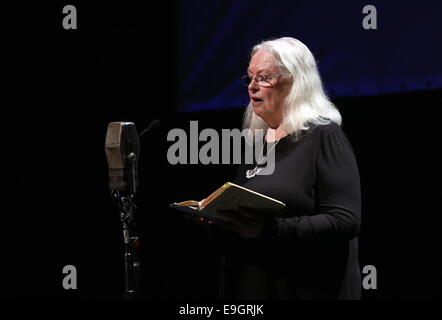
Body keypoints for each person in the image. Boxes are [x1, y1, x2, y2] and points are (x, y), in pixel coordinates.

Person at [209, 37, 362, 300]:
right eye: (250, 78)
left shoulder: (324, 135)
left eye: (264, 78)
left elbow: (345, 220)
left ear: (295, 82)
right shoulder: (255, 143)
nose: (252, 87)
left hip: (309, 286)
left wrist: (272, 230)